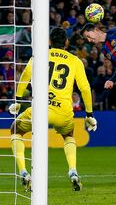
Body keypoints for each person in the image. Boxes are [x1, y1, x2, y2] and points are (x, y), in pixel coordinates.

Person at [8, 28, 97, 191]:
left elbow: (25, 75)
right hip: (63, 111)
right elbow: (85, 88)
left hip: (40, 108)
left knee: (15, 129)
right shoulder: (75, 60)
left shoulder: (39, 56)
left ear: (49, 41)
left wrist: (19, 100)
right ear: (66, 43)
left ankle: (23, 172)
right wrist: (89, 114)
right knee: (68, 135)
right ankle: (73, 171)